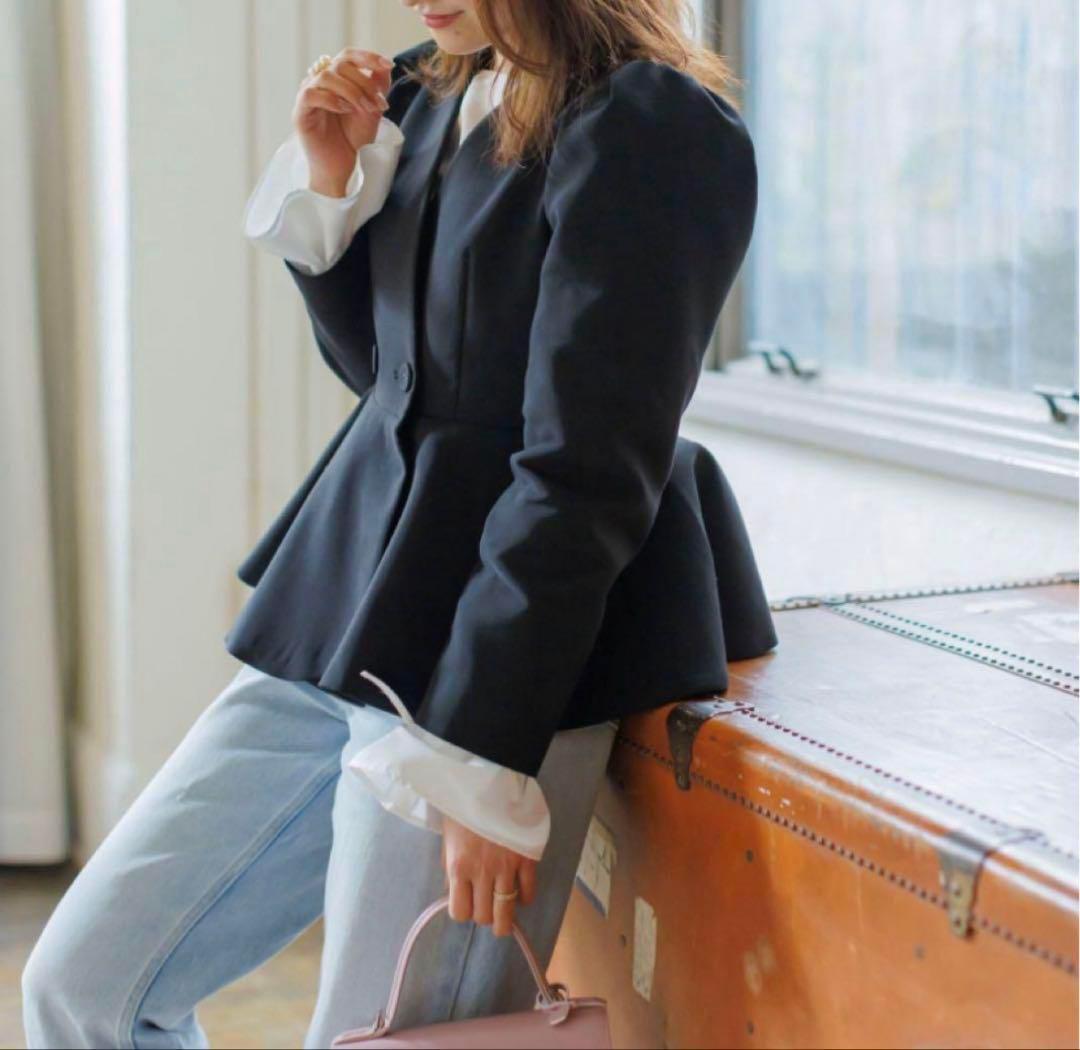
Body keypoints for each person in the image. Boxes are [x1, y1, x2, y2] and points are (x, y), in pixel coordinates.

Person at [22, 0, 778, 1046]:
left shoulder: (651, 123)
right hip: (351, 604)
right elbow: (397, 382)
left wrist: (483, 757)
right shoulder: (429, 90)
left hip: (495, 651)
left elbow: (591, 467)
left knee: (379, 1038)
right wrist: (334, 184)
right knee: (84, 985)